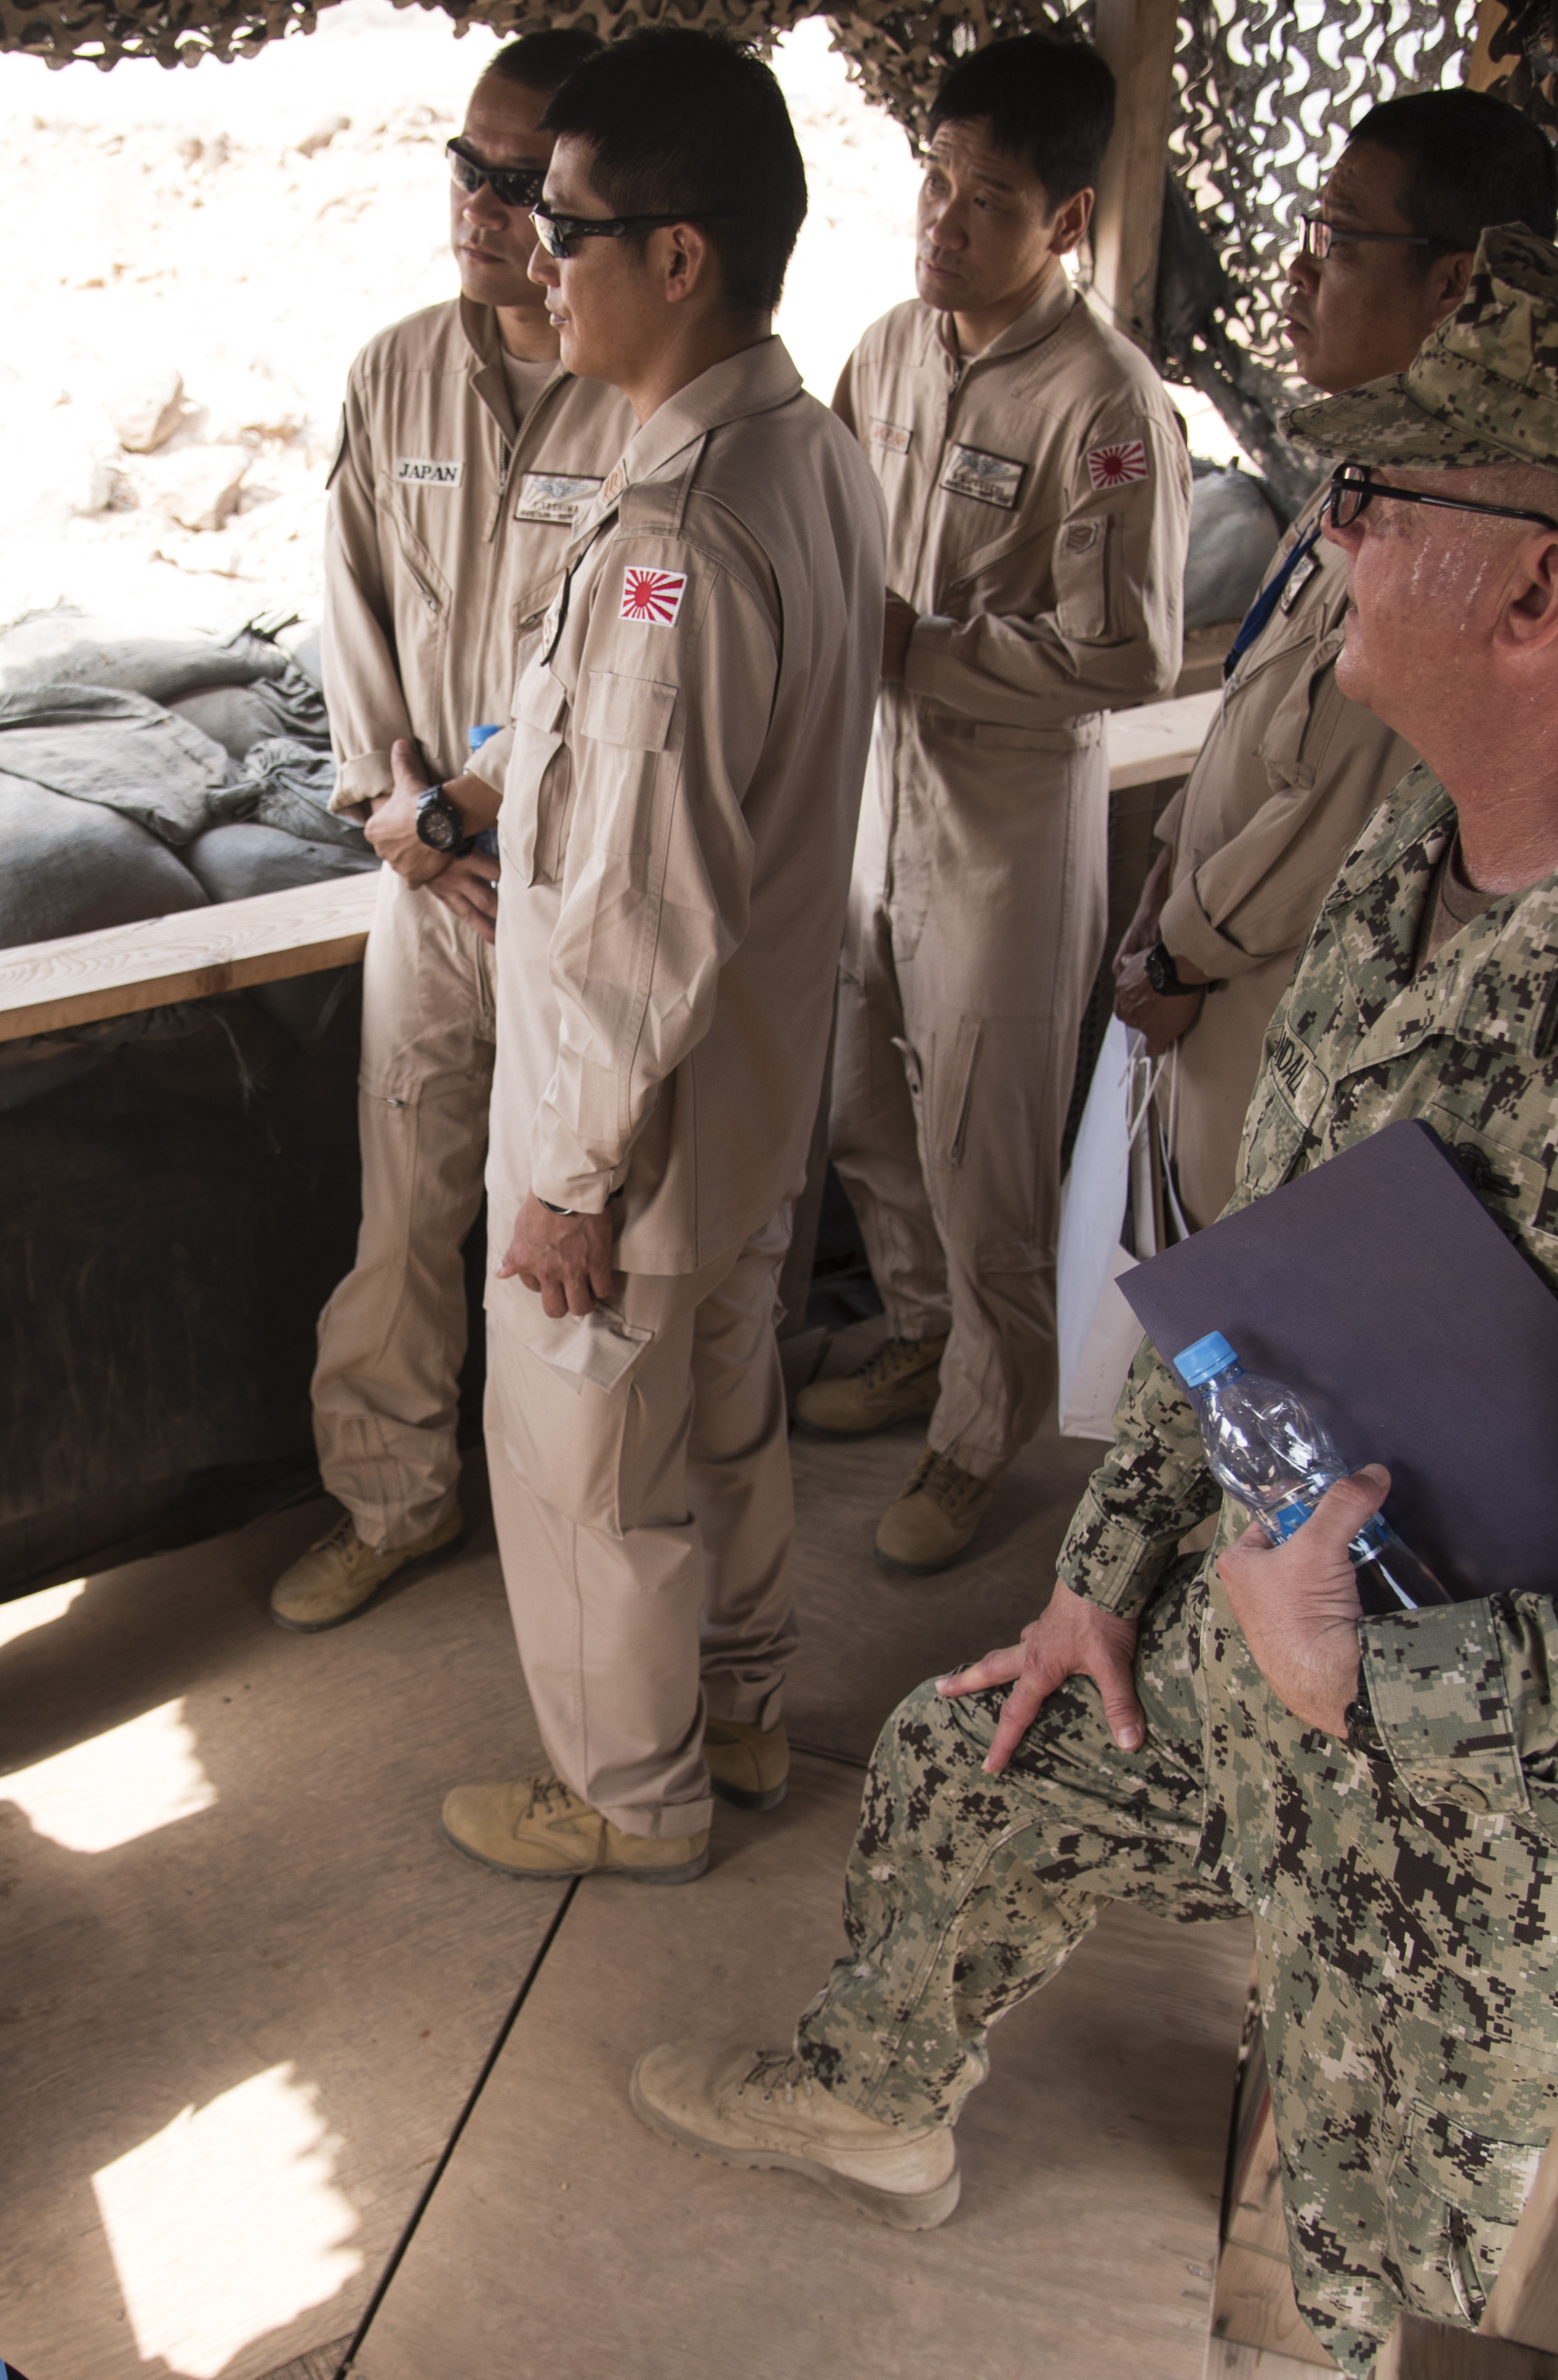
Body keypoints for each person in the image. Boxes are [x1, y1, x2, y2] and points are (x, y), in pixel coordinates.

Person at [628, 233, 1558, 2372]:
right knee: (976, 1751)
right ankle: (872, 2102)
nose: (1322, 538)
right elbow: (1258, 1290)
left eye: (1372, 500)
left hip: (1499, 1842)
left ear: (1538, 590)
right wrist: (1105, 1575)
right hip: (1281, 1652)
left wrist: (1368, 1682)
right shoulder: (1425, 850)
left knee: (1396, 2314)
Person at [417, 27, 882, 1883]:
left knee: (593, 1465)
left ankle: (631, 1796)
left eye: (568, 225)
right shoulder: (807, 453)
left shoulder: (670, 540)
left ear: (680, 256)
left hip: (641, 1119)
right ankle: (743, 1710)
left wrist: (572, 1176)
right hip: (751, 1092)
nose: (538, 258)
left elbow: (641, 899)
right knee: (728, 1411)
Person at [796, 33, 1193, 1573]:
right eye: (934, 185)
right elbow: (825, 533)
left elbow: (1131, 655)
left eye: (990, 201)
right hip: (869, 797)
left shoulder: (1106, 405)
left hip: (1006, 822)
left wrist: (926, 649)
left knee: (985, 1149)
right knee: (859, 1098)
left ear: (1068, 219)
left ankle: (978, 1434)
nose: (944, 225)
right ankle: (920, 1333)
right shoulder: (889, 348)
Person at [272, 25, 636, 1634]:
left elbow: (618, 681)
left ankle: (581, 1533)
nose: (480, 208)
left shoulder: (645, 395)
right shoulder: (396, 370)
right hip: (421, 884)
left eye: (518, 180)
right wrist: (395, 817)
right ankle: (392, 1500)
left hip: (576, 890)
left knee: (580, 1229)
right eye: (464, 168)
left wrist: (475, 817)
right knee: (405, 1214)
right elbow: (348, 613)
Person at [1110, 92, 1558, 1221]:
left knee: (1230, 1272)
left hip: (1274, 1012)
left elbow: (1341, 804)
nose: (1301, 273)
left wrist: (1180, 954)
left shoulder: (1459, 524)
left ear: (1453, 286)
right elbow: (1256, 703)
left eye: (1341, 239)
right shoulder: (1360, 467)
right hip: (1208, 970)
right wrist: (1164, 875)